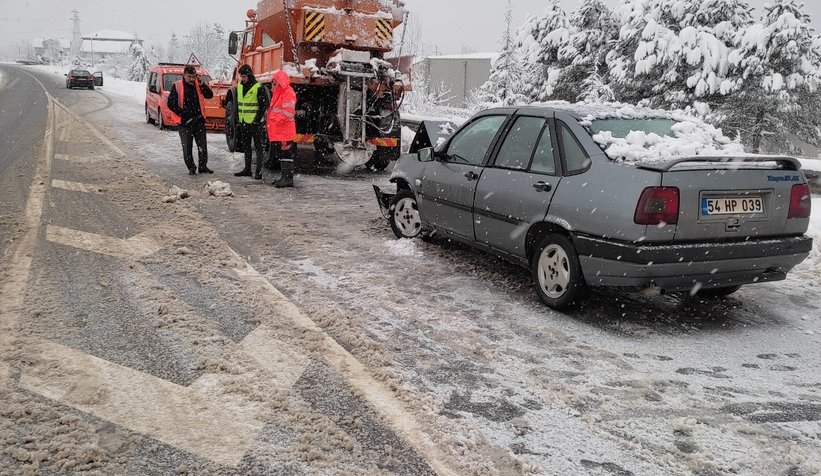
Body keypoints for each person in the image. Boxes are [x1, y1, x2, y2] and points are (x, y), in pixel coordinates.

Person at [168, 65, 214, 175]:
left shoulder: (199, 85)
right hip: (185, 123)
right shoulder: (177, 86)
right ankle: (191, 168)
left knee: (202, 146)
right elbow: (170, 103)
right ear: (184, 75)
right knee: (187, 147)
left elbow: (209, 95)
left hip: (198, 121)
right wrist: (183, 114)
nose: (192, 79)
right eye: (189, 77)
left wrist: (202, 84)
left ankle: (203, 166)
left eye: (193, 76)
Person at [233, 64, 270, 179]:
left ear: (249, 75)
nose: (242, 79)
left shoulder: (258, 87)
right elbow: (238, 104)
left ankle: (258, 171)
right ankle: (247, 169)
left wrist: (257, 120)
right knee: (246, 146)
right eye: (241, 77)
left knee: (258, 146)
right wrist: (238, 119)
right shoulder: (239, 86)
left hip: (255, 123)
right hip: (244, 121)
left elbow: (264, 105)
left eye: (244, 76)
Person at [267, 70, 297, 188]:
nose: (273, 84)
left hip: (284, 130)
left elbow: (288, 112)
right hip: (280, 130)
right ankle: (285, 177)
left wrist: (276, 120)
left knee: (286, 154)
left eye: (275, 82)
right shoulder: (278, 92)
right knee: (282, 154)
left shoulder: (287, 92)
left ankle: (288, 179)